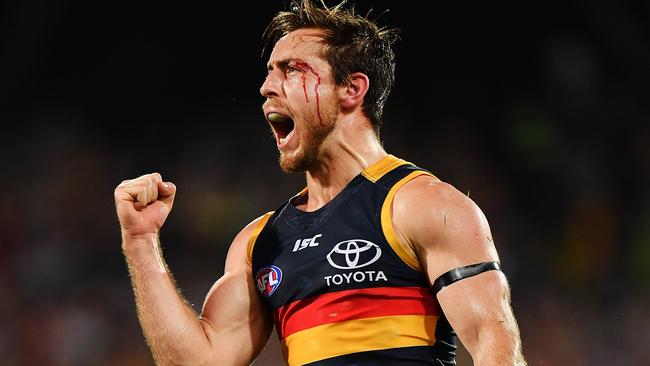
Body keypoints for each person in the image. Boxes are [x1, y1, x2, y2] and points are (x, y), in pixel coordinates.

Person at [114, 0, 527, 365]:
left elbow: (494, 343)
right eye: (269, 72)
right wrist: (140, 242)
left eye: (292, 70)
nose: (266, 87)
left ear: (352, 88)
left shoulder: (424, 205)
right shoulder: (260, 242)